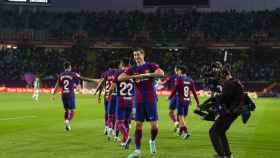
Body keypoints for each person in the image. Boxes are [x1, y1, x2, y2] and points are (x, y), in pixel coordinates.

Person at [118, 48, 164, 158]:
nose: (136, 57)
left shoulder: (150, 66)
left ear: (143, 55)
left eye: (138, 54)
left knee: (154, 127)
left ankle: (152, 141)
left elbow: (161, 73)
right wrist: (134, 76)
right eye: (134, 55)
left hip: (151, 99)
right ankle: (137, 151)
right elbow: (120, 78)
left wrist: (145, 75)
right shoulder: (132, 69)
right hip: (138, 101)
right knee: (138, 125)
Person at [209, 69, 244, 158]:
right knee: (221, 132)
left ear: (226, 76)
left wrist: (218, 98)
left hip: (229, 112)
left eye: (222, 78)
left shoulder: (228, 84)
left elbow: (225, 99)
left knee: (213, 132)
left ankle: (221, 155)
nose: (222, 81)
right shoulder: (237, 82)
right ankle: (228, 154)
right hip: (235, 112)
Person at [52, 61, 96, 131]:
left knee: (66, 110)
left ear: (64, 67)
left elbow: (57, 85)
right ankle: (68, 121)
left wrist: (53, 94)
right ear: (70, 66)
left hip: (63, 94)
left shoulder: (61, 75)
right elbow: (81, 80)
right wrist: (80, 88)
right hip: (70, 94)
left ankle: (66, 121)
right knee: (73, 110)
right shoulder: (73, 74)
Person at [168, 65, 200, 139]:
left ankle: (185, 132)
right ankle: (180, 131)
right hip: (187, 101)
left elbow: (175, 89)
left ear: (180, 71)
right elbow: (194, 93)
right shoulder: (190, 80)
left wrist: (169, 97)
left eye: (178, 70)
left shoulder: (179, 79)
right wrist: (198, 103)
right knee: (183, 117)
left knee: (180, 116)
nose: (177, 72)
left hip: (180, 100)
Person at [109, 58, 133, 149]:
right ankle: (124, 142)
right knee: (126, 122)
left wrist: (109, 95)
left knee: (119, 122)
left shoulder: (119, 72)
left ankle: (127, 138)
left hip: (121, 100)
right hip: (130, 100)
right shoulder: (133, 72)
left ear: (122, 64)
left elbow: (112, 87)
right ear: (130, 64)